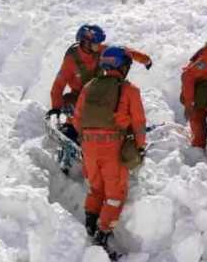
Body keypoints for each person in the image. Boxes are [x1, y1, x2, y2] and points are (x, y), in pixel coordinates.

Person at [73, 46, 147, 256]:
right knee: (115, 194)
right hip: (112, 146)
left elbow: (77, 119)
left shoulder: (89, 86)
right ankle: (101, 239)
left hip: (88, 145)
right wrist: (140, 146)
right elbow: (139, 123)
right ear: (122, 66)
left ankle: (90, 227)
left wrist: (90, 138)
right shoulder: (130, 90)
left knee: (96, 189)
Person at [48, 24, 152, 122]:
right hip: (79, 98)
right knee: (68, 101)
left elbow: (123, 52)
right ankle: (70, 126)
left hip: (100, 93)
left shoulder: (99, 50)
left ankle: (124, 125)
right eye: (96, 43)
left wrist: (144, 59)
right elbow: (58, 86)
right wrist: (56, 108)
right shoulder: (70, 61)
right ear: (86, 43)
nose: (99, 45)